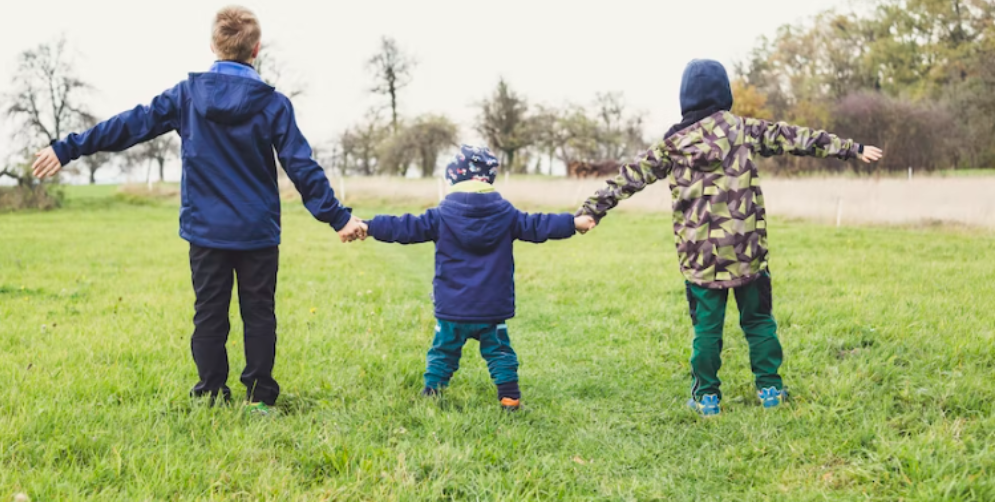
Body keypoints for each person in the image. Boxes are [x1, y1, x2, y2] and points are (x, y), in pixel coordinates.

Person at [31, 6, 365, 415]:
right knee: (259, 313)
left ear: (212, 45)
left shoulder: (187, 96)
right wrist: (338, 217)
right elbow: (301, 166)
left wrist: (67, 148)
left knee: (209, 315)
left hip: (206, 231)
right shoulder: (274, 104)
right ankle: (260, 399)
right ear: (256, 49)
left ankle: (209, 394)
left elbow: (129, 125)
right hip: (257, 231)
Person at [575, 59, 883, 416]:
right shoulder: (742, 130)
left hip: (701, 259)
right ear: (724, 93)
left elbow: (629, 177)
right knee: (758, 321)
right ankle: (770, 389)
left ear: (685, 98)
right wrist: (851, 148)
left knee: (706, 329)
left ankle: (707, 397)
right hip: (747, 252)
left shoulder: (672, 145)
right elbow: (795, 137)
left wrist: (592, 210)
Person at [356, 145, 592, 410]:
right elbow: (538, 225)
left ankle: (431, 393)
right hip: (491, 308)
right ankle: (510, 398)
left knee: (443, 351)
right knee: (500, 352)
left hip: (452, 308)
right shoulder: (507, 214)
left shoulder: (441, 215)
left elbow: (404, 226)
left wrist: (370, 225)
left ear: (454, 178)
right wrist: (573, 223)